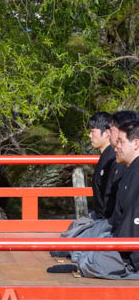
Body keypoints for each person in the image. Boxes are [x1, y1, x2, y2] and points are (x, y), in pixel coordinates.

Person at [53, 119, 139, 279]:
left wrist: (127, 255)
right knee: (85, 249)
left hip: (130, 248)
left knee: (91, 258)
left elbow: (132, 222)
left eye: (120, 141)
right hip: (119, 235)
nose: (116, 146)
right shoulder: (129, 168)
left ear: (135, 143)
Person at [54, 112, 116, 244]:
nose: (89, 135)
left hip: (107, 220)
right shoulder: (107, 156)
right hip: (99, 216)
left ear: (106, 133)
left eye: (93, 132)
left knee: (74, 243)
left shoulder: (112, 159)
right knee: (71, 232)